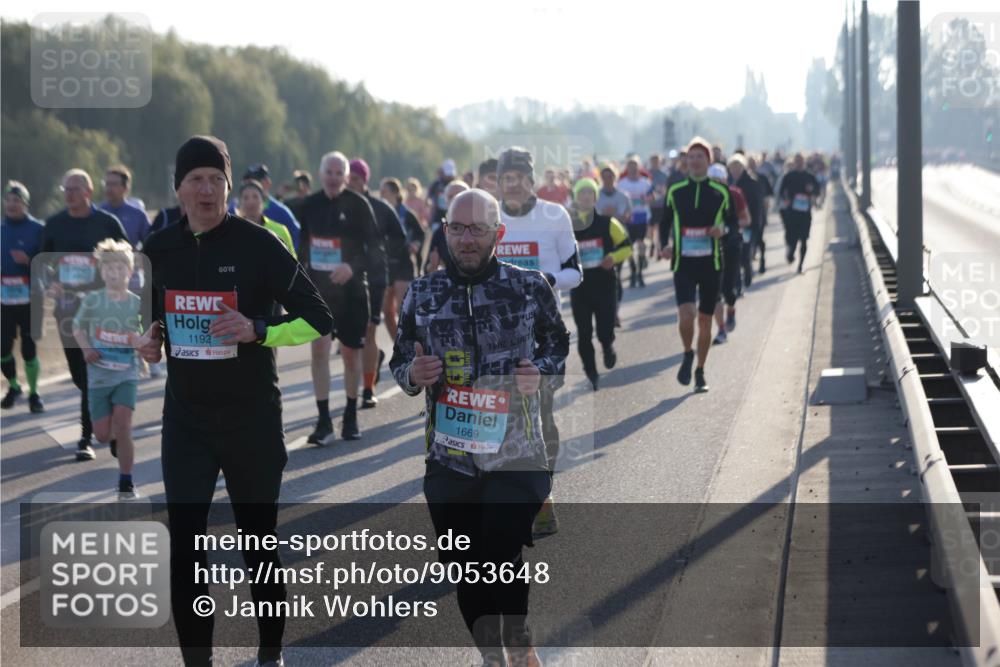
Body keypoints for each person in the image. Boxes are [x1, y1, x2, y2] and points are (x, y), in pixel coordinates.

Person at [138, 135, 333, 667]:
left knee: (258, 545)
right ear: (177, 188)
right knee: (185, 553)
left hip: (252, 420)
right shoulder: (157, 250)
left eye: (216, 180)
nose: (207, 190)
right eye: (195, 180)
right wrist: (150, 340)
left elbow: (320, 318)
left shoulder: (260, 245)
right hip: (187, 422)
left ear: (229, 186)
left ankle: (270, 655)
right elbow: (148, 323)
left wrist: (258, 329)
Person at [389, 188, 568, 667]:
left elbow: (558, 343)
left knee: (502, 552)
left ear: (498, 234)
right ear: (445, 231)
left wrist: (542, 371)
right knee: (465, 570)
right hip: (449, 458)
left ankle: (521, 647)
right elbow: (400, 357)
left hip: (517, 452)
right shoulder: (423, 295)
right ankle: (493, 656)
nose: (466, 239)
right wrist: (412, 375)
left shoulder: (530, 287)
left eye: (478, 230)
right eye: (457, 228)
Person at [495, 147, 580, 537]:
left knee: (541, 416)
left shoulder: (554, 215)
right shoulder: (487, 216)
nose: (513, 185)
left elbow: (575, 272)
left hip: (544, 335)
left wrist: (546, 279)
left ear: (532, 181)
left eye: (519, 177)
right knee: (501, 419)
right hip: (496, 335)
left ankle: (544, 497)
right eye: (506, 178)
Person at [41, 169, 129, 460]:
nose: (68, 194)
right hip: (67, 312)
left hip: (101, 311)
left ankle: (85, 438)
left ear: (88, 192)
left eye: (74, 189)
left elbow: (129, 261)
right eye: (65, 189)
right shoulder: (54, 225)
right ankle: (109, 424)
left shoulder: (107, 223)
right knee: (80, 376)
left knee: (94, 370)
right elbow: (41, 265)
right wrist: (48, 283)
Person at [298, 151, 386, 443]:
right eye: (329, 172)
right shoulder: (309, 206)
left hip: (352, 293)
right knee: (319, 351)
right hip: (320, 292)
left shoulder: (359, 205)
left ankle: (350, 415)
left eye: (339, 173)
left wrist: (351, 266)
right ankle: (323, 421)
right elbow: (301, 248)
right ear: (321, 174)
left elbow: (374, 250)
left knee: (350, 355)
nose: (334, 178)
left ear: (347, 177)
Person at [71, 238, 144, 499]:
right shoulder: (92, 300)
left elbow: (144, 335)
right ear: (102, 272)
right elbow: (77, 327)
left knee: (124, 424)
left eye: (120, 268)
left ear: (130, 272)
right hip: (99, 375)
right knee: (102, 435)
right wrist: (87, 349)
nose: (114, 273)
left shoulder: (137, 303)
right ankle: (113, 437)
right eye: (109, 268)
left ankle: (126, 481)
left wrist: (142, 346)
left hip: (126, 373)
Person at [658, 137, 728, 393]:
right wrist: (665, 243)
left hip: (711, 264)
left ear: (709, 161)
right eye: (691, 156)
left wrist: (723, 229)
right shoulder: (676, 191)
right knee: (686, 316)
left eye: (700, 156)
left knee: (705, 321)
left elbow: (733, 224)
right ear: (686, 162)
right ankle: (688, 352)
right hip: (683, 263)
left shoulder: (721, 192)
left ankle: (700, 370)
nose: (695, 160)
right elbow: (665, 222)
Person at [569, 178, 630, 390]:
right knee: (584, 332)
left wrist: (613, 257)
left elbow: (627, 247)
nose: (586, 197)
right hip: (580, 288)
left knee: (604, 331)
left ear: (595, 197)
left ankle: (607, 346)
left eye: (589, 193)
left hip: (604, 285)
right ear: (576, 198)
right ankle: (591, 372)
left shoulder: (607, 223)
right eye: (582, 193)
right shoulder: (569, 225)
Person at [346, 158, 395, 409]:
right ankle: (354, 388)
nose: (350, 183)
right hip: (344, 281)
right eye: (348, 178)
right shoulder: (337, 205)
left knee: (368, 332)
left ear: (365, 180)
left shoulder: (380, 207)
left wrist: (390, 275)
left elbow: (399, 237)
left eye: (355, 178)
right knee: (348, 340)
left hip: (374, 279)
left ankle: (368, 388)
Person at [1, 181, 45, 412]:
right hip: (4, 301)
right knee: (2, 349)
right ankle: (14, 385)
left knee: (29, 349)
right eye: (7, 200)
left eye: (16, 200)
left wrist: (29, 261)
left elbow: (48, 265)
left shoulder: (38, 229)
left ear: (25, 204)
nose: (11, 204)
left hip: (31, 299)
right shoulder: (0, 229)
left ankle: (34, 394)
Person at [378, 177, 424, 342]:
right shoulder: (379, 213)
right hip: (386, 265)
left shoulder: (406, 214)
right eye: (380, 191)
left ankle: (412, 345)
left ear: (395, 193)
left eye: (385, 191)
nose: (381, 195)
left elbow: (420, 233)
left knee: (402, 311)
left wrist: (416, 245)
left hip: (404, 264)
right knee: (386, 311)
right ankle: (398, 346)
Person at [707, 164, 748, 345]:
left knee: (728, 290)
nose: (716, 184)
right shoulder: (704, 196)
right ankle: (721, 329)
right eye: (712, 180)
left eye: (719, 180)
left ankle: (731, 309)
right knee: (714, 292)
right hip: (710, 247)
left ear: (725, 180)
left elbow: (746, 219)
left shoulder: (734, 194)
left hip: (731, 244)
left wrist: (726, 228)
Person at [230, 163, 302, 252]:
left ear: (268, 182)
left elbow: (297, 240)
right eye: (247, 180)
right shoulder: (233, 209)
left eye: (256, 180)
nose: (251, 184)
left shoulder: (281, 212)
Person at [778, 153, 819, 274]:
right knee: (792, 237)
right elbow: (781, 191)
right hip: (792, 212)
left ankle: (801, 265)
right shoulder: (789, 176)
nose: (799, 163)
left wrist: (813, 193)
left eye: (801, 161)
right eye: (797, 161)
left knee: (804, 239)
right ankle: (790, 252)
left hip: (805, 212)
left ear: (804, 162)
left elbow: (817, 189)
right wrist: (786, 199)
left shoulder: (810, 176)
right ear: (794, 162)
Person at [728, 154, 764, 289]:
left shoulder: (752, 182)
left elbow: (757, 206)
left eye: (737, 167)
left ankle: (748, 272)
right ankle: (738, 285)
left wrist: (754, 224)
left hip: (748, 225)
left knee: (745, 253)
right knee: (735, 256)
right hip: (734, 225)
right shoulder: (729, 183)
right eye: (732, 168)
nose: (735, 170)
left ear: (743, 167)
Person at [616, 157, 653, 287]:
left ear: (639, 167)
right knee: (629, 247)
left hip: (642, 216)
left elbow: (652, 197)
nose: (632, 168)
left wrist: (648, 199)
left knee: (642, 244)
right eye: (630, 165)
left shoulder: (646, 183)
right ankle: (632, 271)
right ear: (627, 168)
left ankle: (640, 273)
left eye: (635, 165)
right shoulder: (622, 184)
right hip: (628, 218)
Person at [236, 181, 296, 257]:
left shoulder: (281, 230)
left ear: (263, 201)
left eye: (255, 196)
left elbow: (293, 263)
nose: (251, 202)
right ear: (240, 203)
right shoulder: (233, 232)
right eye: (246, 198)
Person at [98, 165, 150, 249]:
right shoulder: (97, 213)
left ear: (126, 188)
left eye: (114, 184)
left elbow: (150, 244)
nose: (109, 188)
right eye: (107, 184)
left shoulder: (138, 215)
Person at [424, 180, 469, 274]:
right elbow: (427, 271)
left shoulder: (481, 226)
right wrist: (433, 266)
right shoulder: (440, 232)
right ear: (445, 200)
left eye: (459, 196)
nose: (454, 200)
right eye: (450, 197)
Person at [746, 155, 772, 274]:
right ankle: (748, 264)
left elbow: (767, 197)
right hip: (746, 214)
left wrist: (765, 213)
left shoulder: (762, 178)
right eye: (749, 163)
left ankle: (762, 259)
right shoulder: (743, 178)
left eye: (753, 163)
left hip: (759, 214)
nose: (751, 165)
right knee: (748, 241)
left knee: (759, 239)